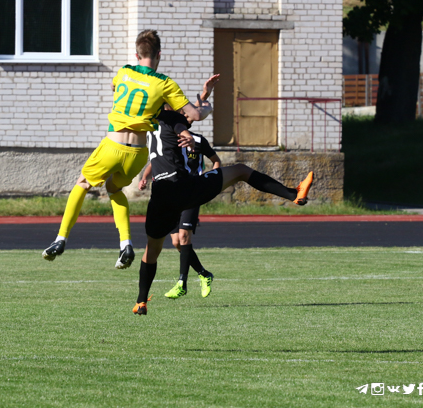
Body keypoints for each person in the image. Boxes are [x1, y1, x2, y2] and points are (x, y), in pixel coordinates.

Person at [42, 29, 217, 269]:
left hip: (112, 145)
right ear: (159, 54)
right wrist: (206, 105)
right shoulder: (165, 83)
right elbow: (194, 115)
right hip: (137, 154)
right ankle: (125, 244)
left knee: (82, 183)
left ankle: (60, 239)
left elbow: (115, 87)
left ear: (137, 54)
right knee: (114, 188)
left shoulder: (124, 71)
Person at [132, 107, 314, 315]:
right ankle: (294, 194)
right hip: (183, 187)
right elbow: (191, 118)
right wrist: (189, 132)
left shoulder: (147, 120)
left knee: (152, 251)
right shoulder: (171, 116)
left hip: (160, 194)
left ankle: (141, 302)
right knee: (241, 170)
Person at [138, 85, 221, 300]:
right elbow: (156, 158)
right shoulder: (166, 132)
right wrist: (145, 176)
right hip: (172, 191)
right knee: (176, 241)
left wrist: (213, 180)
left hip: (190, 189)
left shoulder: (196, 139)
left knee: (184, 236)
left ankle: (182, 282)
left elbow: (196, 115)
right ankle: (204, 273)